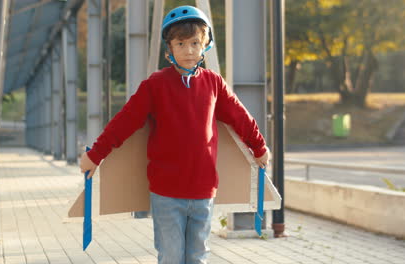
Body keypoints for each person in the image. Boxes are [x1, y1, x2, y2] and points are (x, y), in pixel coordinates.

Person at [80, 5, 269, 264]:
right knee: (170, 256)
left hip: (204, 190)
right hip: (166, 192)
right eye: (180, 43)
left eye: (195, 42)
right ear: (169, 48)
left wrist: (259, 148)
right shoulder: (155, 85)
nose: (189, 50)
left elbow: (241, 117)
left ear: (205, 45)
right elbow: (123, 122)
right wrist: (95, 155)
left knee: (198, 256)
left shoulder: (214, 83)